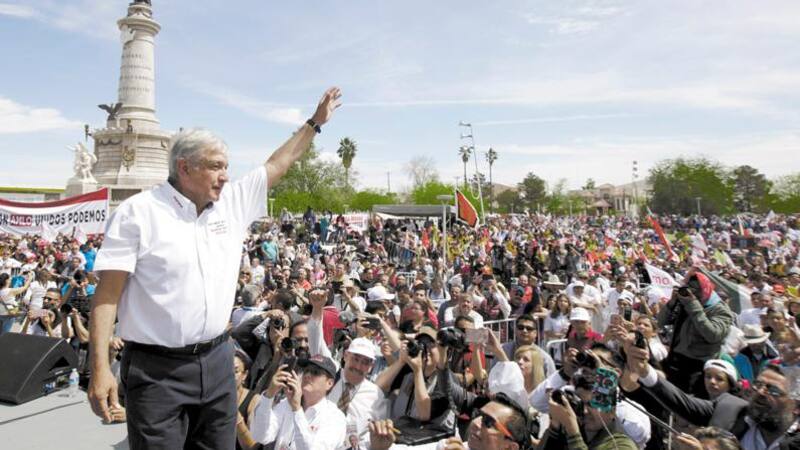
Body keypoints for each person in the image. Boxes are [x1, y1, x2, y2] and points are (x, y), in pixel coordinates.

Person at [88, 88, 342, 449]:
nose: (225, 175)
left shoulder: (231, 204)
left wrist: (315, 123)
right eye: (216, 166)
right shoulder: (138, 213)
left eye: (227, 166)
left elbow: (277, 164)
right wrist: (99, 368)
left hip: (218, 361)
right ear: (184, 167)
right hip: (156, 371)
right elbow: (107, 295)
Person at [624, 340, 800, 450]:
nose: (761, 392)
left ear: (796, 405)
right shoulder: (731, 409)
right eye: (759, 384)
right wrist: (644, 371)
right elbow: (682, 402)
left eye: (773, 390)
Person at [658, 271, 734, 394]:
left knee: (686, 404)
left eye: (696, 289)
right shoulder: (684, 302)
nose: (692, 292)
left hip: (697, 366)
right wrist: (672, 303)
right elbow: (660, 323)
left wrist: (693, 305)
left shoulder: (719, 309)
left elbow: (713, 335)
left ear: (705, 289)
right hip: (675, 358)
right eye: (689, 287)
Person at [368, 393, 533, 450]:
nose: (476, 423)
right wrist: (380, 447)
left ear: (510, 447)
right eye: (479, 415)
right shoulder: (450, 446)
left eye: (488, 422)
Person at [250, 355, 347, 450]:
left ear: (329, 383)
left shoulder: (336, 418)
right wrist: (269, 395)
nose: (308, 375)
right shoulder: (287, 403)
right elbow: (260, 435)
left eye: (315, 372)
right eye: (306, 370)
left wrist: (297, 409)